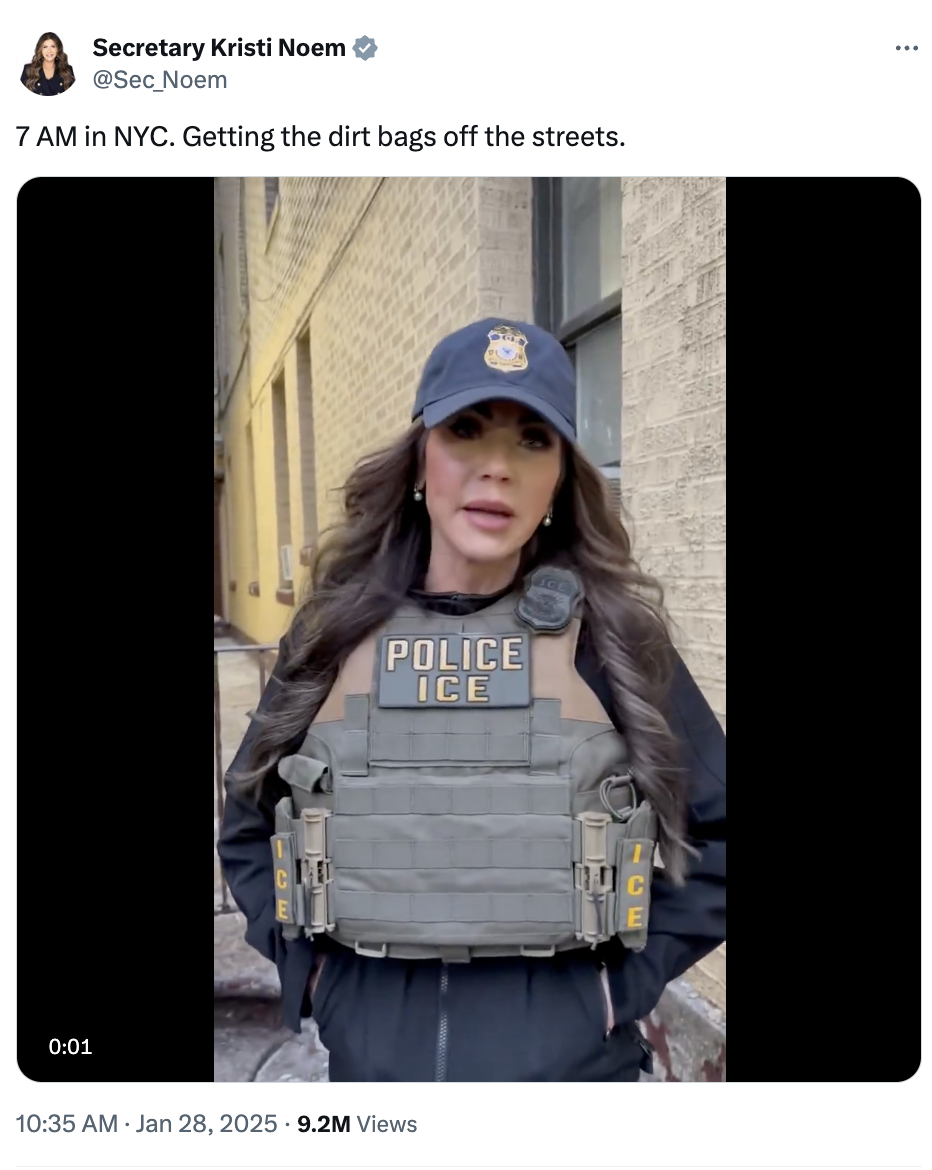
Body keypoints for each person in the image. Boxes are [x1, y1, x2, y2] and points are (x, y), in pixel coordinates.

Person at [218, 318, 726, 1082]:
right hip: (379, 1079)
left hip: (572, 1083)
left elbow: (720, 832)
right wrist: (320, 979)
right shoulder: (335, 635)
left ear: (560, 477)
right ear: (422, 457)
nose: (497, 468)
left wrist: (618, 989)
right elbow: (248, 823)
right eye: (466, 430)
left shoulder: (610, 640)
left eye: (532, 440)